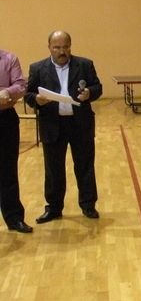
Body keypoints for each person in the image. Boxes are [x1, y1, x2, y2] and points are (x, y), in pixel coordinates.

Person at [25, 31, 102, 222]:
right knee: (53, 170)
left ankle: (88, 205)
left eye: (65, 47)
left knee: (85, 166)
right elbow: (28, 94)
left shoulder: (84, 65)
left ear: (70, 46)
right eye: (57, 47)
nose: (62, 51)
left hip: (80, 124)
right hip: (52, 125)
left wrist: (89, 93)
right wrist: (37, 100)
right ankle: (53, 208)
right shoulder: (37, 68)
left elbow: (97, 87)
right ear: (49, 47)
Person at [0, 48, 33, 233]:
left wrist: (6, 92)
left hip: (5, 120)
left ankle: (14, 218)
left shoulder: (9, 59)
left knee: (8, 171)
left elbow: (20, 86)